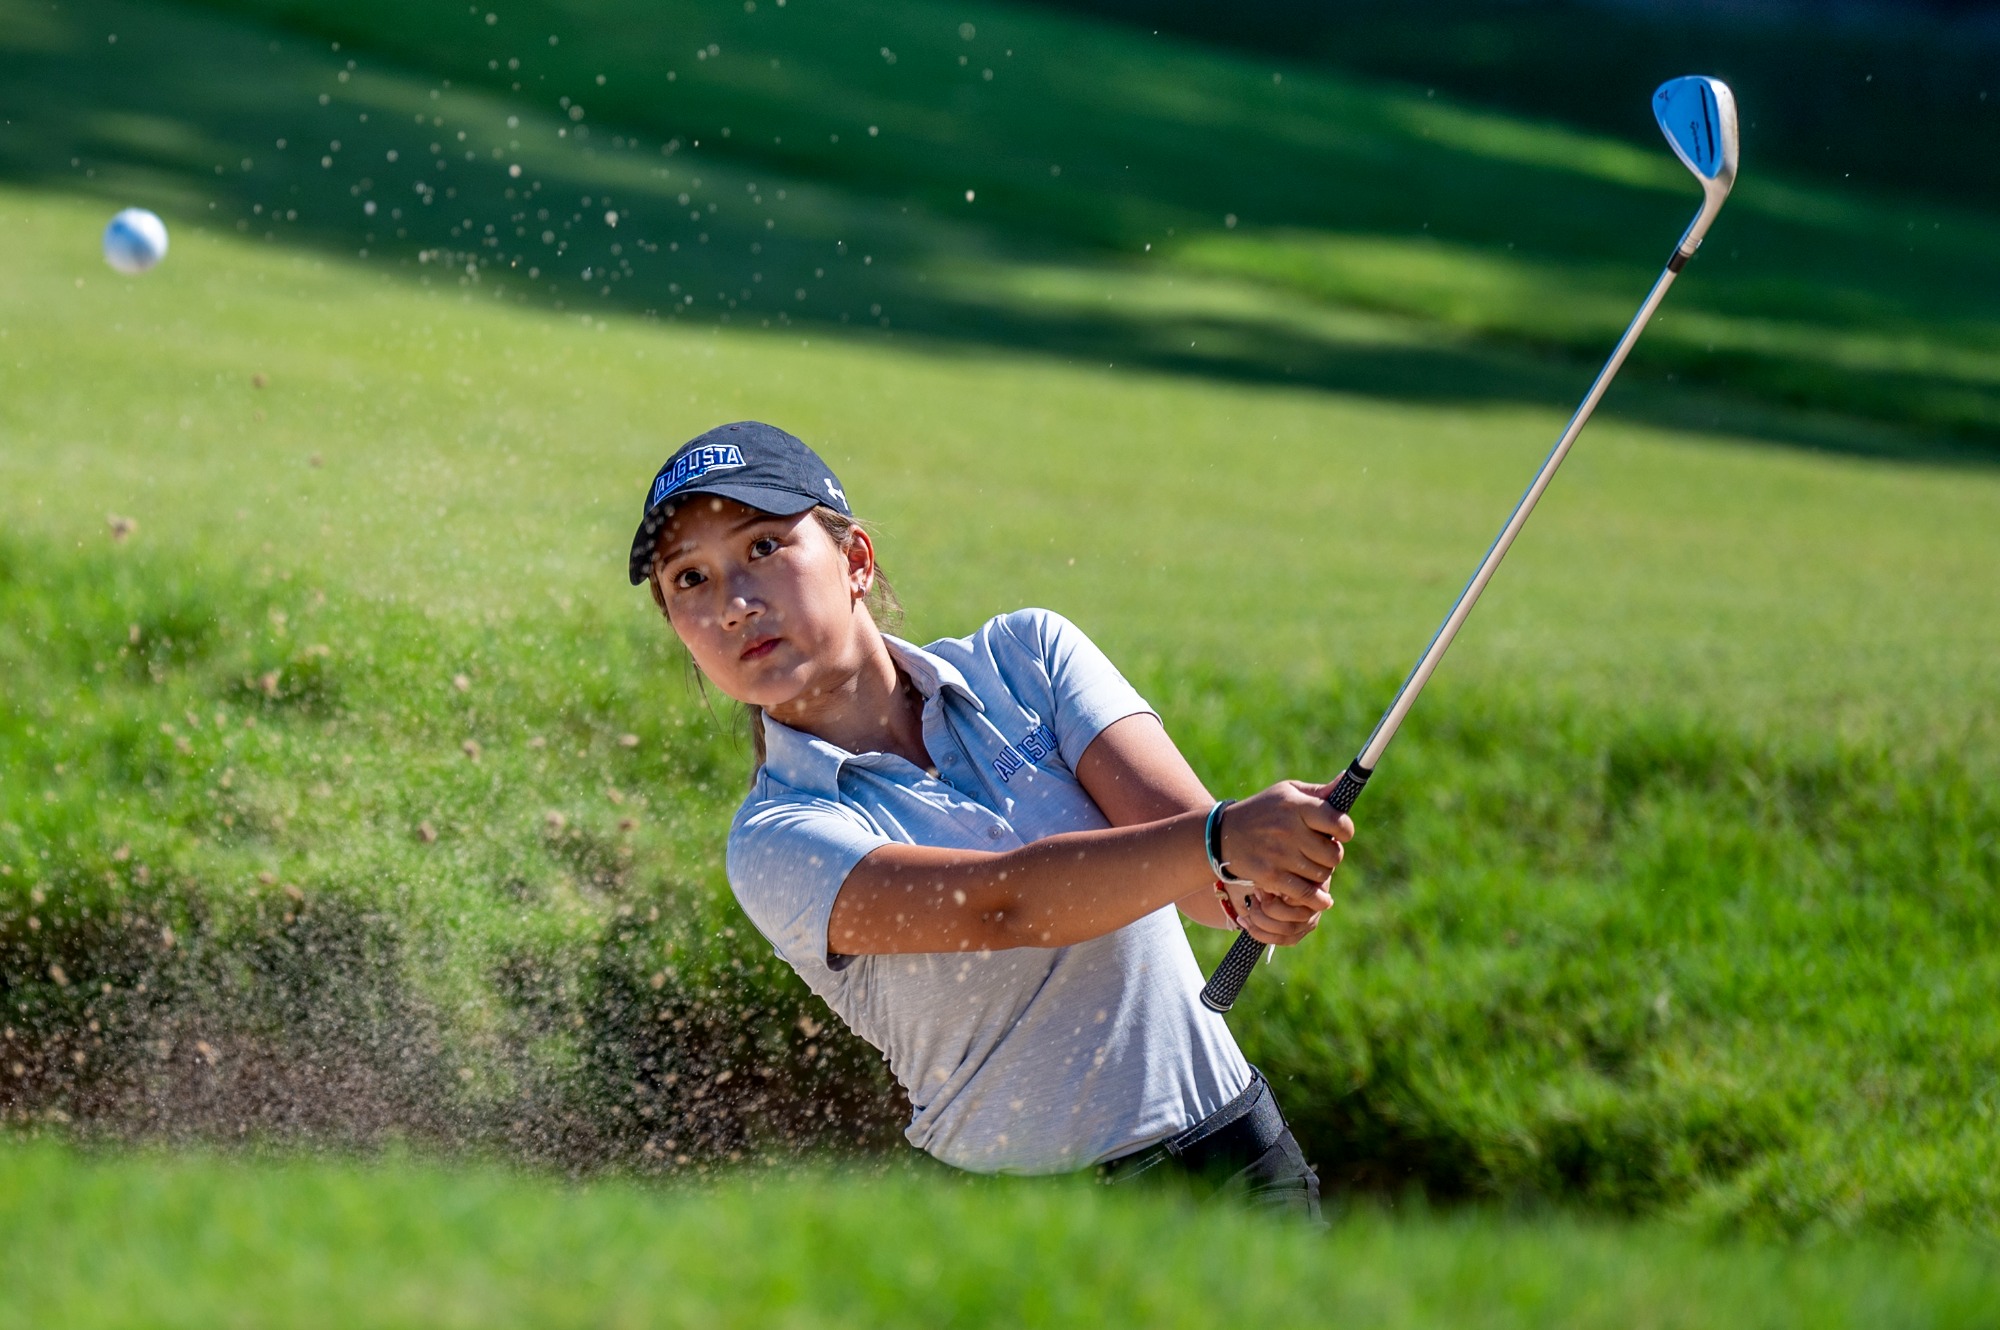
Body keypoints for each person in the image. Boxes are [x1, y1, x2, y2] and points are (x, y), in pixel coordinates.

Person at [626, 421, 1352, 1217]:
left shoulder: (1028, 657)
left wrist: (1258, 880)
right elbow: (1006, 905)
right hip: (1032, 1227)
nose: (734, 604)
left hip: (1239, 1166)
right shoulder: (777, 836)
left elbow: (1204, 882)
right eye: (689, 579)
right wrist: (1219, 842)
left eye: (764, 547)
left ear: (855, 559)